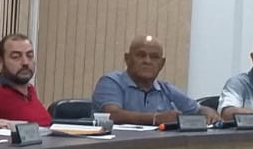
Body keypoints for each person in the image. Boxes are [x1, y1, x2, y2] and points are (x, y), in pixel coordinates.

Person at [92, 35, 220, 125]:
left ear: (162, 64)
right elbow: (112, 115)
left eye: (154, 57)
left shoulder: (166, 89)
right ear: (127, 59)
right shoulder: (111, 82)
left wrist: (210, 114)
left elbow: (199, 109)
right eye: (141, 55)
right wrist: (156, 118)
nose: (147, 61)